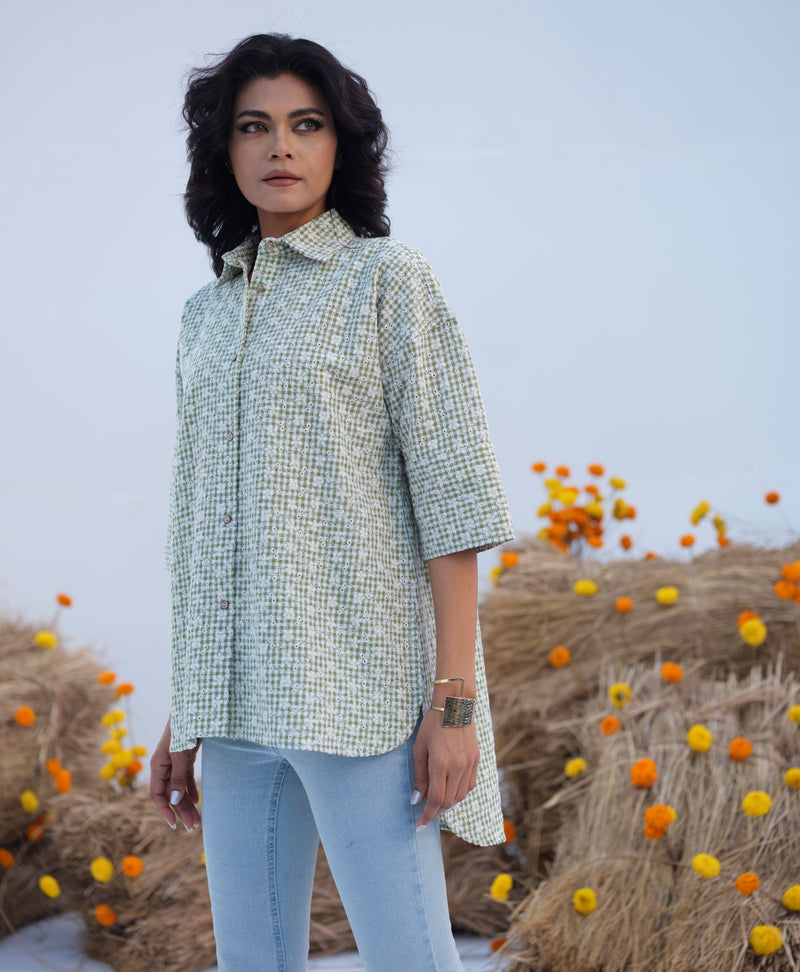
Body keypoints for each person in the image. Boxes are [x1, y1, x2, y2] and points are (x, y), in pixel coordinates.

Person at [149, 32, 514, 972]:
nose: (280, 146)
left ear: (340, 144)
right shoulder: (204, 315)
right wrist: (188, 703)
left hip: (359, 697)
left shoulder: (387, 281)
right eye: (254, 126)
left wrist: (454, 707)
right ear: (224, 149)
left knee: (409, 961)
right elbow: (202, 526)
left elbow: (455, 500)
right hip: (236, 711)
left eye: (305, 125)